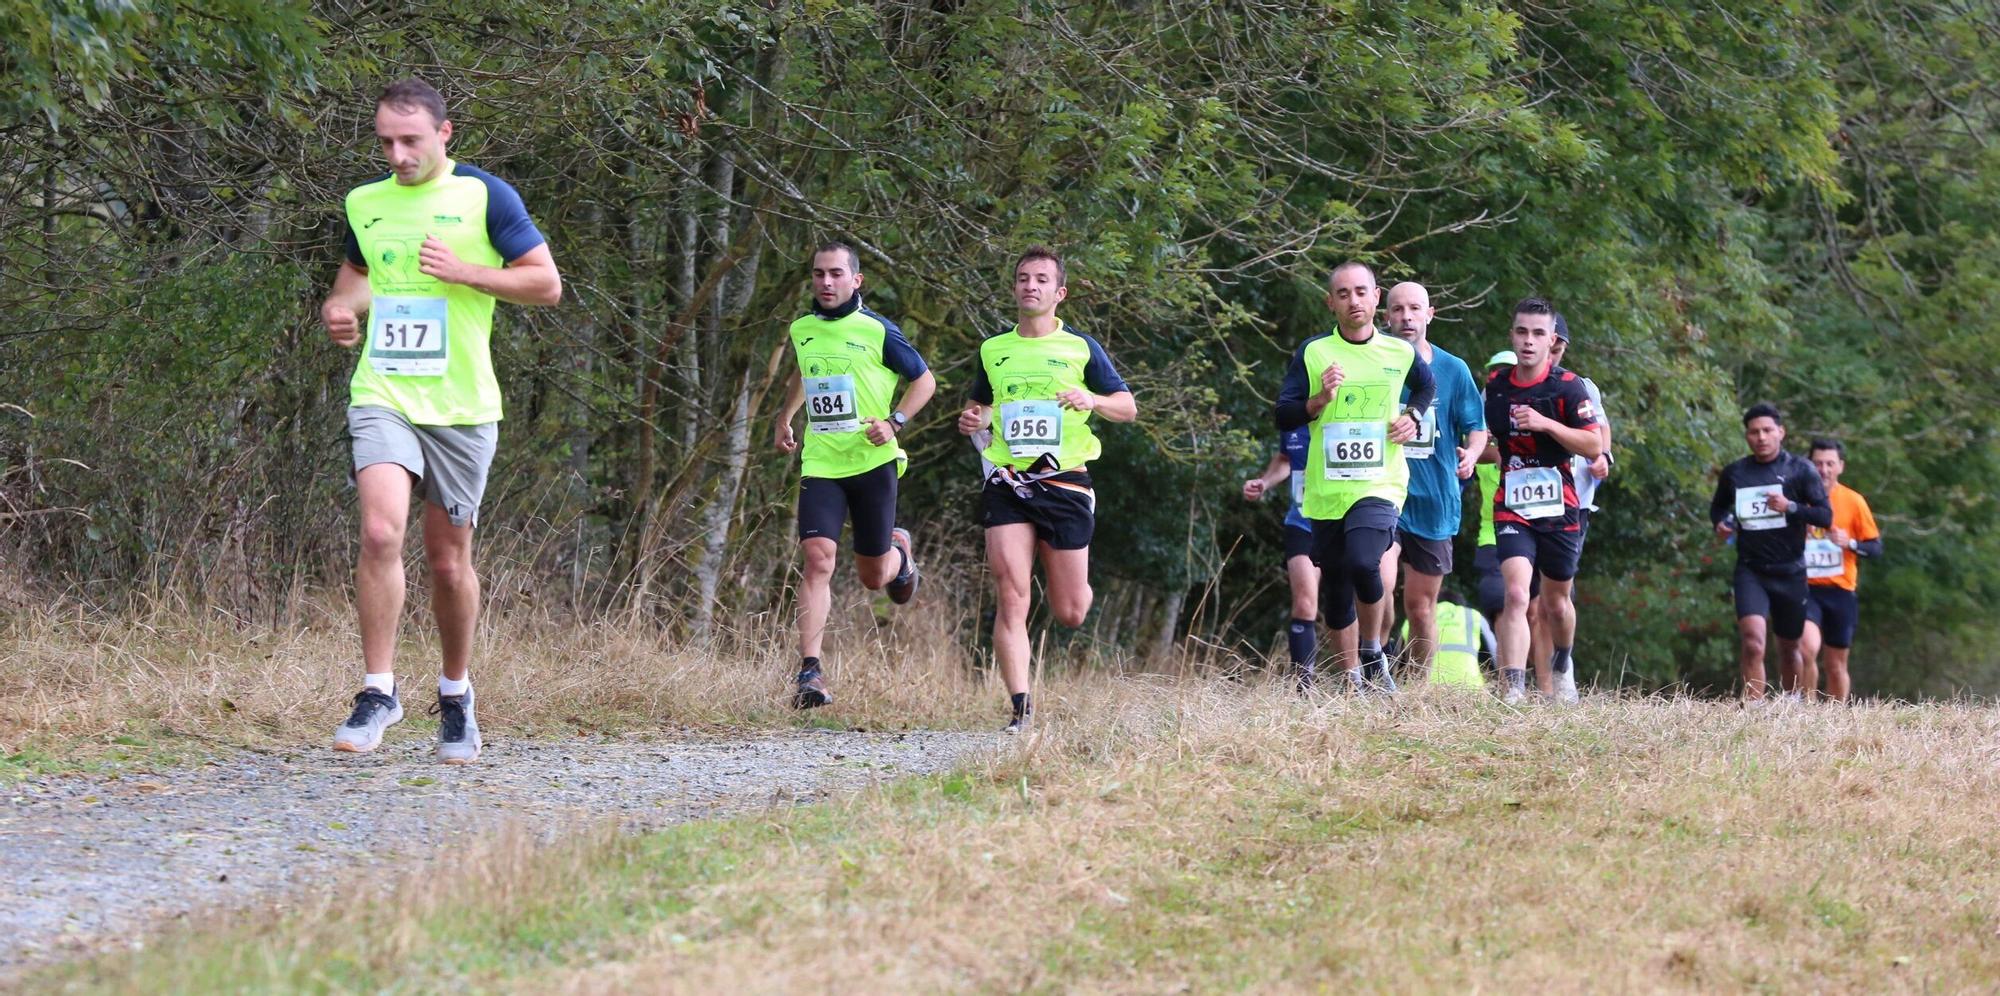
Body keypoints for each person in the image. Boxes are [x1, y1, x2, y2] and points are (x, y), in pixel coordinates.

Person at [321, 78, 563, 762]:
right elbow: (356, 279)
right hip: (385, 391)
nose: (397, 155)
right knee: (379, 531)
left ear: (444, 133)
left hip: (461, 406)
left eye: (411, 141)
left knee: (448, 562)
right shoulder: (365, 203)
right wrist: (341, 311)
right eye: (385, 142)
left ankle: (455, 694)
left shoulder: (486, 196)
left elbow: (546, 284)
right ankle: (378, 691)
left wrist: (466, 272)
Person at [958, 247, 1136, 731]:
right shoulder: (994, 350)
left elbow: (1127, 407)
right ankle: (1021, 710)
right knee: (1011, 594)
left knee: (1070, 611)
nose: (1030, 286)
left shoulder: (1081, 348)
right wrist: (975, 419)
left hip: (1065, 484)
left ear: (1059, 293)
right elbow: (982, 408)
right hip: (1007, 481)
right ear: (1014, 287)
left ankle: (1077, 586)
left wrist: (1091, 399)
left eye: (1040, 279)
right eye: (1022, 278)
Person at [774, 242, 935, 709]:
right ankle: (810, 673)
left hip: (871, 463)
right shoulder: (802, 329)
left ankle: (900, 556)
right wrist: (786, 417)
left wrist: (895, 422)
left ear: (856, 280)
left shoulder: (878, 330)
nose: (826, 282)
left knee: (872, 576)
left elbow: (924, 381)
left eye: (836, 274)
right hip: (822, 461)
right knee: (818, 559)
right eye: (818, 274)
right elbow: (805, 374)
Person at [1274, 261, 1435, 694]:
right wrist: (1319, 400)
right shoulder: (1313, 353)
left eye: (1361, 292)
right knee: (1336, 588)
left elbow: (1426, 387)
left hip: (1380, 483)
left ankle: (1371, 650)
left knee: (1365, 561)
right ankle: (1352, 680)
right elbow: (1283, 414)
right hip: (1328, 490)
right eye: (1343, 294)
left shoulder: (1399, 353)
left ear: (1376, 297)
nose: (1354, 301)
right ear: (1331, 303)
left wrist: (1413, 415)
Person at [1484, 298, 1604, 704]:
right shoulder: (1497, 386)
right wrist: (1471, 451)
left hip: (1560, 506)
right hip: (1512, 504)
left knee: (1556, 603)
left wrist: (1545, 423)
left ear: (1552, 340)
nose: (1528, 341)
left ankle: (1563, 662)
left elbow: (1593, 444)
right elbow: (1485, 439)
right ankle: (1514, 688)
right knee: (1517, 595)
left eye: (1538, 333)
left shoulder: (1568, 386)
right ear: (1512, 335)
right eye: (1522, 332)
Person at [1370, 282, 1487, 684]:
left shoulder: (1453, 370)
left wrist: (1472, 454)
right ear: (1387, 315)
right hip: (1382, 493)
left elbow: (1477, 427)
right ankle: (1376, 673)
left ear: (1429, 314)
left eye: (1415, 308)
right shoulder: (1373, 362)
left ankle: (1418, 688)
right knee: (1378, 585)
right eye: (1398, 309)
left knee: (1420, 609)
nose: (1406, 317)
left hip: (1435, 500)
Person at [1709, 403, 1831, 701]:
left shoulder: (1800, 470)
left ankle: (1791, 703)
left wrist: (1790, 507)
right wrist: (1721, 523)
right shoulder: (1735, 473)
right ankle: (1754, 707)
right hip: (1751, 569)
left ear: (1781, 432)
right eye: (1754, 432)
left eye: (1767, 430)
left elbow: (1825, 516)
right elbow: (1718, 507)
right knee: (1753, 642)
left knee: (1789, 648)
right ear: (1747, 436)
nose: (1761, 437)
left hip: (1790, 570)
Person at [1527, 318, 1612, 696]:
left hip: (1573, 501)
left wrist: (1603, 456)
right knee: (1525, 600)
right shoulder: (1508, 383)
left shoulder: (1582, 386)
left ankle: (1562, 675)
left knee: (1555, 599)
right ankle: (1536, 685)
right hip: (1523, 503)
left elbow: (1600, 431)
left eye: (1559, 347)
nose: (1553, 352)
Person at [1797, 438, 1881, 702]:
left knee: (1835, 665)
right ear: (1808, 465)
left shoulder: (1853, 501)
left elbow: (1875, 548)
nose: (1824, 470)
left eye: (1830, 464)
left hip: (1840, 590)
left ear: (1840, 466)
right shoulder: (1796, 499)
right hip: (1804, 587)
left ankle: (1836, 716)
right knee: (1806, 649)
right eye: (1818, 464)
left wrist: (1850, 543)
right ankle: (1807, 710)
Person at [1241, 426, 1320, 687]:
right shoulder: (1294, 416)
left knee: (1344, 606)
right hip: (1302, 523)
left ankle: (1362, 676)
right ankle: (1303, 687)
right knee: (1305, 603)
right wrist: (1264, 482)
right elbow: (1286, 459)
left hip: (1343, 524)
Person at [1472, 351, 1515, 625]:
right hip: (1493, 531)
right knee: (1498, 600)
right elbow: (1468, 452)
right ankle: (1507, 655)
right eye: (1495, 371)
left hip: (1536, 529)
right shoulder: (1478, 433)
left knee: (1534, 608)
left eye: (1507, 370)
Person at [1392, 595, 1493, 689]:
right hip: (1471, 687)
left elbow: (1396, 660)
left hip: (1422, 688)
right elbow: (1494, 651)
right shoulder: (1473, 615)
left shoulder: (1413, 619)